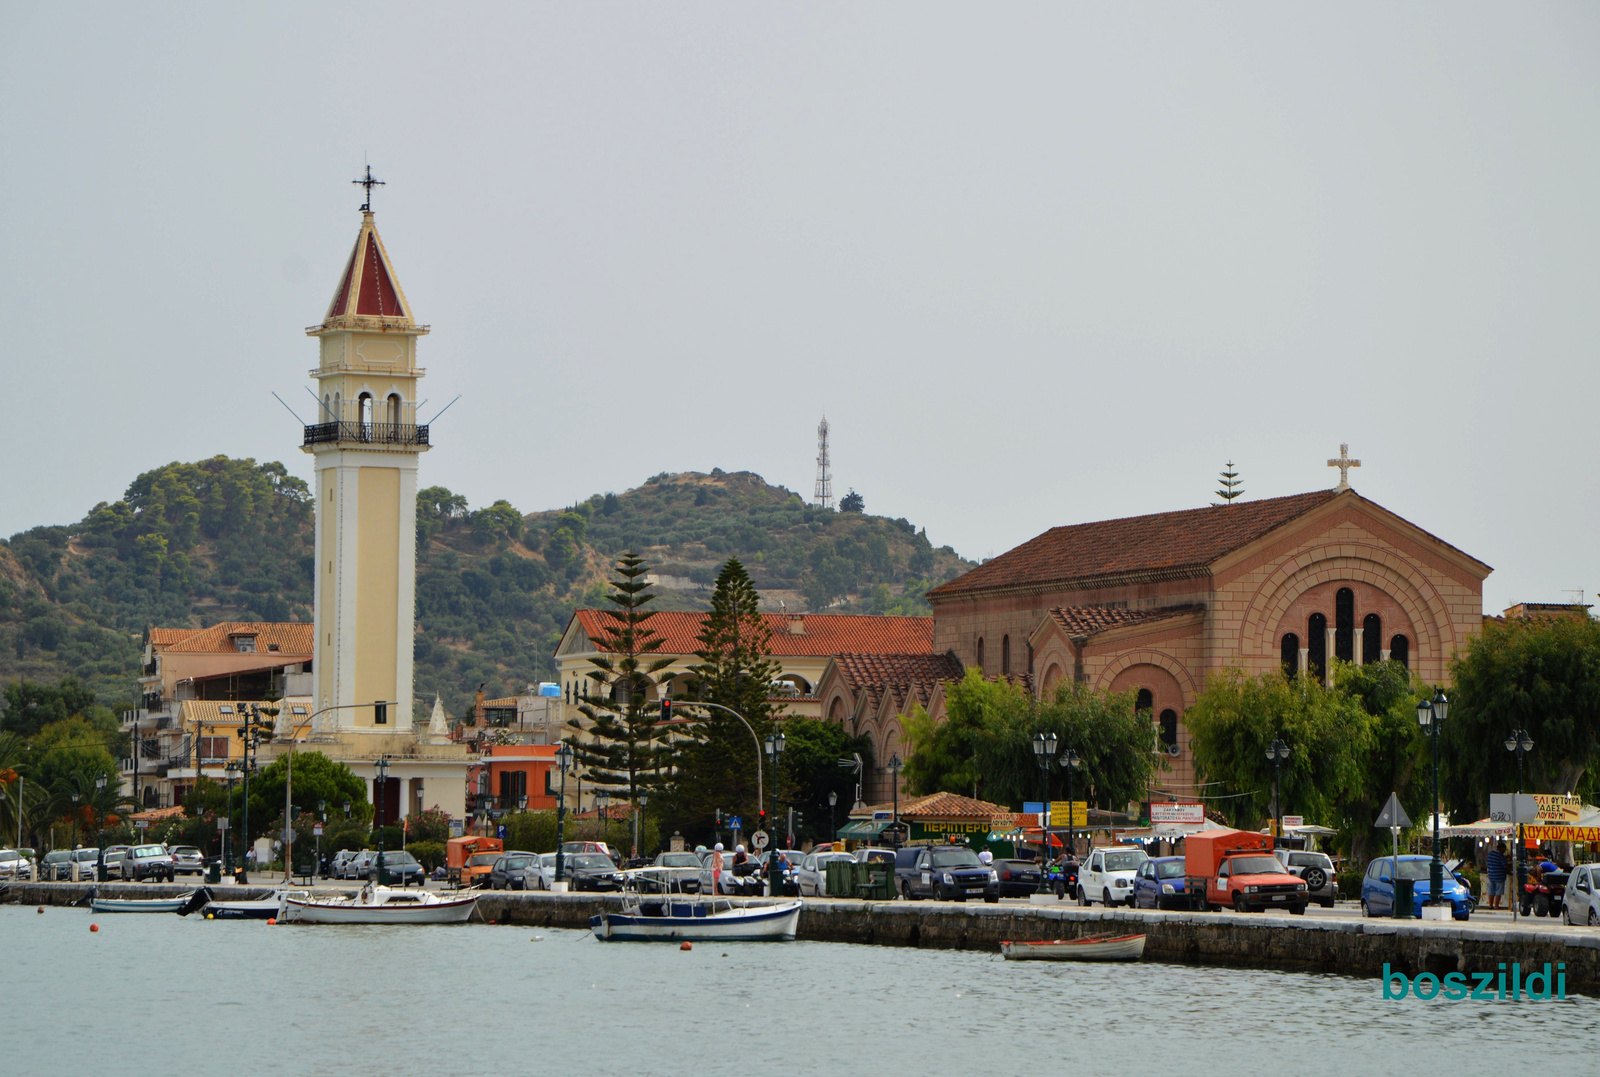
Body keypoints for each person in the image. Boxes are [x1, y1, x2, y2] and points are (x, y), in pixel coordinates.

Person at [1485, 841, 1509, 910]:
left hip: (1491, 874)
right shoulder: (1500, 856)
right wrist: (1509, 864)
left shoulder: (1490, 854)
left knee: (1491, 890)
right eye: (1504, 849)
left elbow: (1487, 863)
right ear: (1501, 848)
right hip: (1499, 875)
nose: (1504, 851)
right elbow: (1504, 865)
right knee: (1499, 891)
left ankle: (1490, 905)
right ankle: (1496, 905)